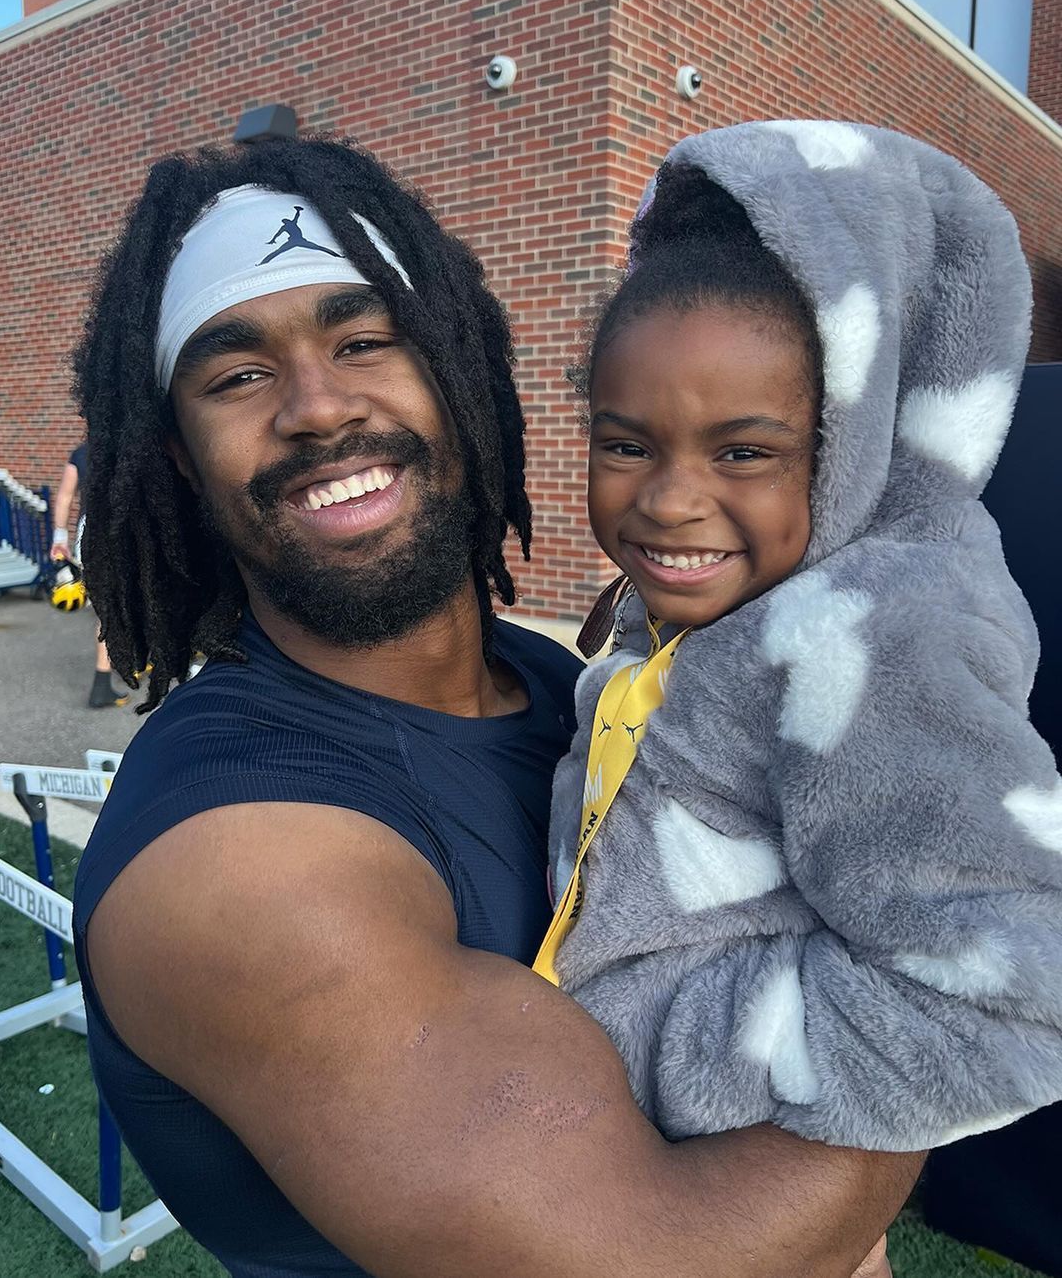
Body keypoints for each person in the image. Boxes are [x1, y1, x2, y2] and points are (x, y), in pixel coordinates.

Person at [71, 136, 919, 1278]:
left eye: (365, 339)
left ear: (458, 366)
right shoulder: (236, 866)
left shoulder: (578, 687)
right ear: (178, 459)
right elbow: (675, 1258)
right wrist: (957, 973)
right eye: (238, 375)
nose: (319, 407)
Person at [542, 122, 1062, 1165]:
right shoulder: (721, 600)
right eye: (624, 443)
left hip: (693, 1188)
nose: (670, 500)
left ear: (847, 443)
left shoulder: (868, 634)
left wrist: (666, 1049)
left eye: (745, 450)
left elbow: (1020, 1008)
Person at [48, 442, 128, 707]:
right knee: (122, 607)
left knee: (107, 610)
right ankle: (104, 681)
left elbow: (65, 496)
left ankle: (116, 665)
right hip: (123, 534)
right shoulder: (136, 443)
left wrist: (60, 538)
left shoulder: (82, 453)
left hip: (90, 536)